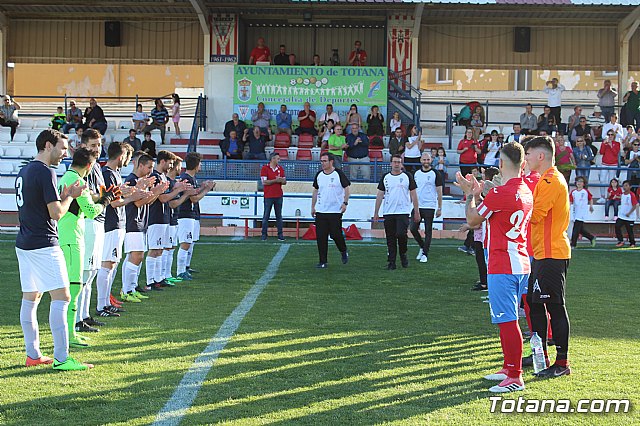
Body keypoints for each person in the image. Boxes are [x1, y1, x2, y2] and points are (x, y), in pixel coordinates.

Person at [456, 141, 533, 393]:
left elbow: (472, 219)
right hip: (520, 260)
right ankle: (509, 367)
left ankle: (515, 376)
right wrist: (482, 192)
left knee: (507, 321)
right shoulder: (525, 191)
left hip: (503, 263)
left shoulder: (502, 194)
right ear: (523, 163)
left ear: (501, 163)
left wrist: (471, 193)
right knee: (509, 319)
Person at [15, 129, 92, 371]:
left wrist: (64, 194)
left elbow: (41, 204)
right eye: (62, 148)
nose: (65, 154)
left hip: (24, 242)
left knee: (31, 297)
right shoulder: (45, 171)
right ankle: (62, 358)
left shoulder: (25, 170)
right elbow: (56, 213)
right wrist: (71, 196)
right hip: (44, 243)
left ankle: (33, 354)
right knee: (62, 298)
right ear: (48, 145)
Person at [57, 148, 119, 345]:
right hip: (72, 238)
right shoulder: (80, 182)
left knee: (72, 287)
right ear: (90, 166)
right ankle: (71, 333)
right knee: (74, 288)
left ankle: (71, 330)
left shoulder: (66, 176)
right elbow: (91, 211)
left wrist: (99, 197)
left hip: (64, 235)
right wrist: (106, 201)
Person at [524, 135, 572, 379]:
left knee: (555, 307)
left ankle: (562, 363)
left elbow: (536, 213)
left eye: (529, 154)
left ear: (540, 156)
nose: (526, 159)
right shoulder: (545, 180)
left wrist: (512, 203)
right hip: (543, 254)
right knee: (534, 304)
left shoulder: (552, 180)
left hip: (552, 253)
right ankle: (539, 353)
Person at [97, 143, 143, 317]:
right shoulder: (107, 174)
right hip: (110, 223)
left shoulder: (114, 174)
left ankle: (106, 302)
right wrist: (132, 197)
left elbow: (117, 197)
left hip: (118, 223)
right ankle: (102, 306)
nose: (127, 159)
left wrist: (129, 192)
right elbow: (112, 202)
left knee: (112, 263)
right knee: (107, 264)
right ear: (120, 155)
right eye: (126, 156)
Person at [143, 151, 189, 297]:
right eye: (169, 163)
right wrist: (178, 190)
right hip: (155, 218)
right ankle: (150, 281)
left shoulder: (162, 177)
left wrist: (178, 188)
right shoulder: (155, 177)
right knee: (154, 250)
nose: (171, 166)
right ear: (162, 161)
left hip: (163, 218)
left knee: (160, 250)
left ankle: (158, 279)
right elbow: (162, 198)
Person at [121, 153, 166, 297]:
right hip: (132, 222)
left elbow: (147, 202)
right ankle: (127, 290)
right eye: (149, 167)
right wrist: (155, 192)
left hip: (141, 222)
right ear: (140, 165)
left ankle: (132, 288)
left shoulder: (142, 181)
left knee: (136, 256)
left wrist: (155, 193)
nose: (151, 171)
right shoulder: (132, 180)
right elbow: (138, 202)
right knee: (136, 255)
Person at [374, 155, 420, 270]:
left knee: (401, 234)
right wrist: (376, 212)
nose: (396, 164)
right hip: (388, 212)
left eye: (399, 162)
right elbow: (380, 195)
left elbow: (414, 194)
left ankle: (403, 254)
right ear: (390, 164)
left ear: (401, 164)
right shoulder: (385, 177)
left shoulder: (407, 176)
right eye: (394, 162)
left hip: (403, 211)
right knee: (390, 238)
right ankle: (392, 262)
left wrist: (417, 211)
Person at [176, 152, 215, 279]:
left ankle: (186, 267)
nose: (201, 165)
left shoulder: (191, 178)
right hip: (185, 214)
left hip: (192, 214)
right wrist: (207, 189)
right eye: (200, 163)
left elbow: (195, 194)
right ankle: (180, 271)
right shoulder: (186, 178)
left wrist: (202, 187)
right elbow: (194, 199)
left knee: (190, 242)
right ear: (196, 165)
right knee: (186, 242)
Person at [311, 153, 350, 268]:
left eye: (324, 161)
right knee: (321, 236)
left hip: (335, 211)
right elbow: (315, 191)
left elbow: (347, 188)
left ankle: (343, 250)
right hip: (321, 211)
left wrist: (345, 203)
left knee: (335, 234)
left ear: (331, 162)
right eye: (321, 161)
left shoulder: (338, 174)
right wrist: (313, 206)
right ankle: (323, 261)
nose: (322, 163)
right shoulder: (319, 175)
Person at [410, 152, 443, 264]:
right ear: (420, 160)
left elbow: (439, 191)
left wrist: (440, 207)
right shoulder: (415, 173)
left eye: (428, 160)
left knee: (428, 231)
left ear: (431, 160)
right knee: (413, 228)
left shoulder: (435, 173)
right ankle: (422, 247)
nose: (426, 162)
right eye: (424, 160)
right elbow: (412, 190)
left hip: (430, 206)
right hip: (417, 206)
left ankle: (425, 254)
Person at [260, 152, 286, 241]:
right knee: (266, 216)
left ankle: (280, 234)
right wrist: (276, 180)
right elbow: (264, 182)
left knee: (279, 216)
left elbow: (284, 181)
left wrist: (280, 180)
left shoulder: (280, 169)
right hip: (268, 196)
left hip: (278, 195)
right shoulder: (265, 168)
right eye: (278, 158)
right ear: (273, 159)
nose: (279, 160)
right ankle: (264, 234)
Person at [569, 176, 596, 248]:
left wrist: (591, 206)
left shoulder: (585, 192)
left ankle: (573, 244)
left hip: (582, 212)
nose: (579, 183)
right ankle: (591, 237)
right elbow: (570, 201)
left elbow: (590, 199)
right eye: (578, 181)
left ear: (583, 183)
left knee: (576, 228)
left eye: (581, 182)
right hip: (575, 212)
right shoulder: (573, 192)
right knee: (580, 229)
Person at [598, 130, 621, 202]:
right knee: (602, 180)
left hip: (613, 164)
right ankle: (602, 197)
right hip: (604, 163)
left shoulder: (617, 143)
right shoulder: (604, 143)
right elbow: (601, 152)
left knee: (610, 181)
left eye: (611, 135)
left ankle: (609, 196)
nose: (610, 136)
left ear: (614, 136)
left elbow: (616, 153)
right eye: (609, 134)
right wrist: (604, 144)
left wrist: (611, 145)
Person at [615, 180, 638, 247]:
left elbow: (634, 205)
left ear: (630, 187)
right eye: (624, 185)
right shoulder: (622, 194)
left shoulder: (632, 195)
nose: (624, 187)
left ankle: (632, 243)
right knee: (617, 226)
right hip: (622, 216)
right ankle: (621, 241)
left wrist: (629, 213)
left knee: (629, 230)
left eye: (626, 185)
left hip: (630, 217)